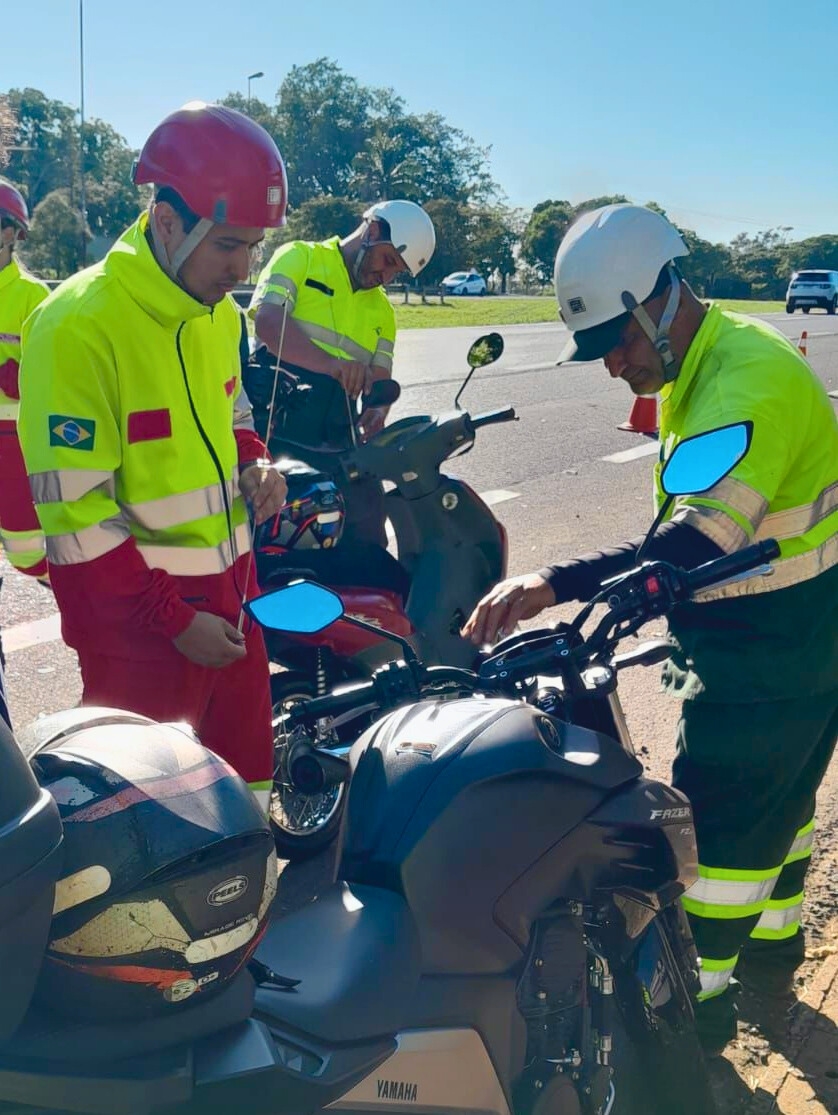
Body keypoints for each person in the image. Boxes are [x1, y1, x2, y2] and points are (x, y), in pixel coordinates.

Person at [463, 203, 838, 1054]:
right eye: (595, 351)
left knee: (722, 813)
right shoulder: (702, 367)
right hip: (791, 628)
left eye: (614, 343)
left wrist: (565, 586)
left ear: (658, 300)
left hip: (772, 638)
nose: (610, 365)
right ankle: (778, 944)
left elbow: (694, 541)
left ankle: (694, 1004)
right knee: (784, 789)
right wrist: (572, 584)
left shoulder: (749, 381)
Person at [18, 103, 289, 809]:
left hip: (234, 612)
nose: (242, 269)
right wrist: (173, 621)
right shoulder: (76, 324)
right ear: (167, 221)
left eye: (253, 248)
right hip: (140, 641)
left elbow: (231, 414)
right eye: (229, 245)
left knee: (247, 807)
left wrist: (255, 461)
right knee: (154, 854)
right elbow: (77, 519)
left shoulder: (218, 316)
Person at [249, 199, 436, 547]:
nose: (387, 276)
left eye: (398, 272)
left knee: (368, 536)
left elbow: (379, 380)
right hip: (275, 431)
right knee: (275, 542)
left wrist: (378, 410)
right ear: (373, 231)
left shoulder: (382, 310)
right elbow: (268, 324)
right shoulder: (300, 257)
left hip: (338, 440)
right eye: (389, 261)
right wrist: (333, 366)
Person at [0, 179, 49, 583]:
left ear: (14, 233)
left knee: (29, 554)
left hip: (14, 445)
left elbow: (47, 378)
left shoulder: (33, 297)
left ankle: (86, 620)